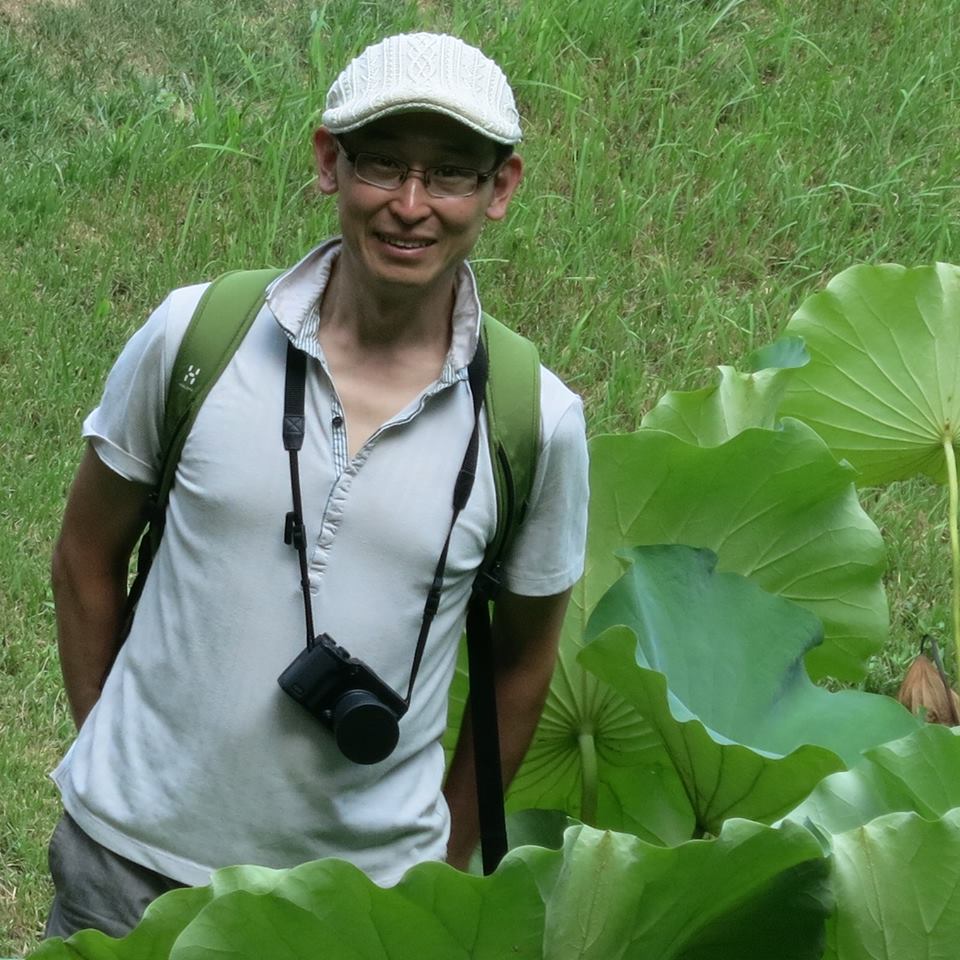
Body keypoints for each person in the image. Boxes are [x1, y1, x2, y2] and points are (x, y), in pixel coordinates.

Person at [46, 31, 588, 939]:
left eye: (451, 174)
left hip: (359, 915)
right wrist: (116, 762)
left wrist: (438, 864)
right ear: (329, 161)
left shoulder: (537, 420)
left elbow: (524, 661)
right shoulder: (197, 335)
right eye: (383, 164)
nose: (410, 206)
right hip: (128, 879)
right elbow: (82, 557)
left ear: (501, 189)